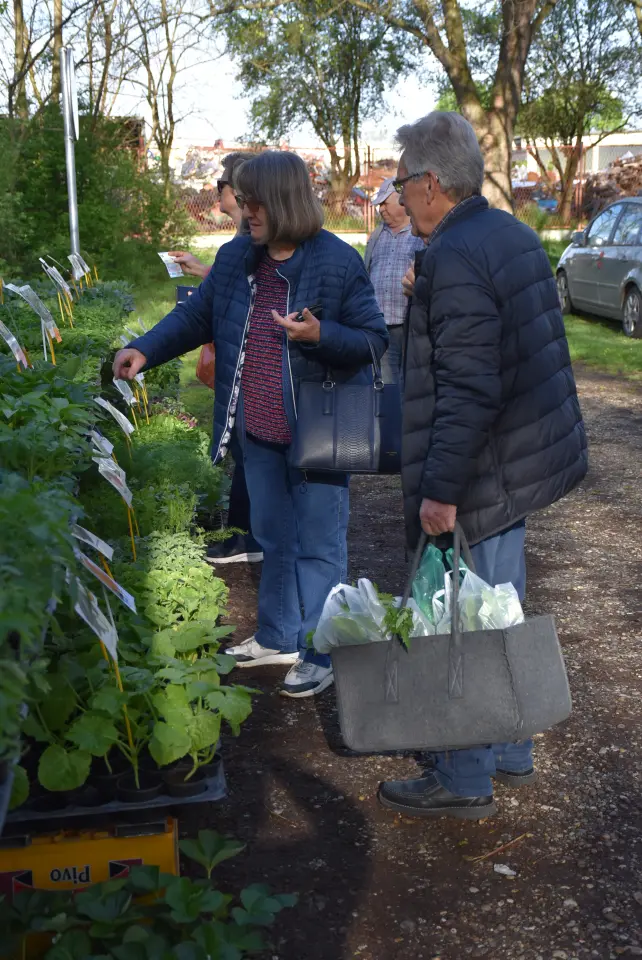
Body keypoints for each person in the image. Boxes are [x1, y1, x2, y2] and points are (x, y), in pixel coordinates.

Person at [113, 150, 387, 698]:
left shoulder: (335, 261)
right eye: (241, 199)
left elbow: (374, 339)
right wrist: (145, 349)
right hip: (258, 428)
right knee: (272, 536)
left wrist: (319, 336)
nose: (242, 209)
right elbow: (197, 316)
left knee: (319, 546)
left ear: (282, 201)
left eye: (252, 200)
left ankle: (319, 650)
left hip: (323, 430)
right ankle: (278, 635)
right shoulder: (240, 255)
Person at [378, 111, 588, 820]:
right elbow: (499, 346)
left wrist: (440, 490)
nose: (399, 193)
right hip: (516, 464)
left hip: (481, 471)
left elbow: (467, 386)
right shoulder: (508, 235)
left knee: (458, 618)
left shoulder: (456, 256)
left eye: (404, 180)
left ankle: (464, 773)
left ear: (433, 183)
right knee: (499, 607)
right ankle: (508, 745)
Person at [169, 152, 263, 566]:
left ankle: (250, 538)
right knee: (244, 451)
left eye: (223, 186)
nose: (219, 193)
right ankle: (247, 535)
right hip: (238, 369)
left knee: (251, 450)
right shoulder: (237, 245)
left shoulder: (251, 241)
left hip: (252, 373)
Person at [364, 177, 424, 385]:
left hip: (409, 325)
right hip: (380, 324)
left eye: (384, 203)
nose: (381, 210)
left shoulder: (419, 233)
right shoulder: (377, 235)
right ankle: (388, 417)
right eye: (379, 205)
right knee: (385, 384)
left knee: (410, 381)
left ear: (401, 200)